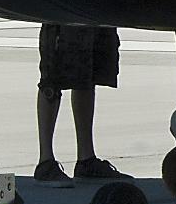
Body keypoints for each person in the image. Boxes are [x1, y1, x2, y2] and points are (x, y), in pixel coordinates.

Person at [35, 24, 123, 183]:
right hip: (61, 10)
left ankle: (86, 158)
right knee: (51, 77)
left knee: (88, 74)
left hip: (92, 6)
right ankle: (45, 160)